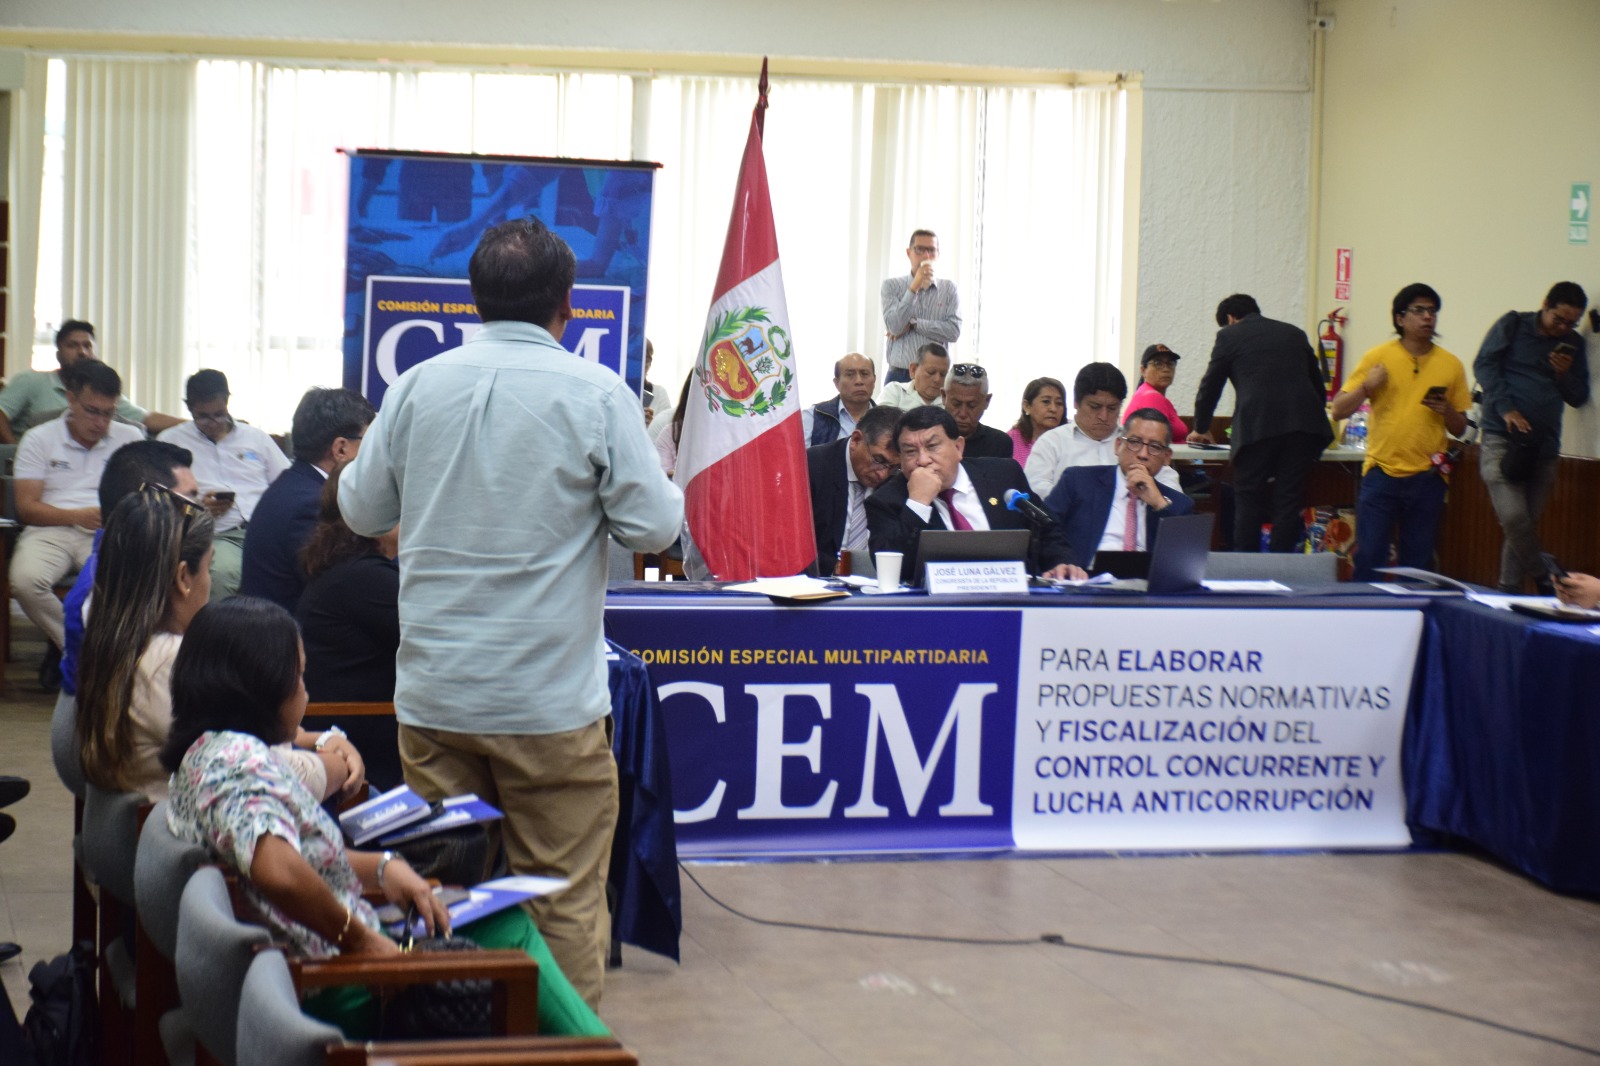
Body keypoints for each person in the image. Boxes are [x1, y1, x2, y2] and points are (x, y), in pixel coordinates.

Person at [339, 216, 682, 1008]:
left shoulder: (417, 386)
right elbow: (654, 528)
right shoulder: (598, 392)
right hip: (549, 705)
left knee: (441, 889)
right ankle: (555, 1052)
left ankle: (449, 1040)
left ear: (474, 300)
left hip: (437, 698)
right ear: (569, 303)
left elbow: (360, 509)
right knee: (561, 899)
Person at [159, 597, 607, 1038]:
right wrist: (361, 941)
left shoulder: (207, 753)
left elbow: (292, 856)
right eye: (298, 677)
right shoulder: (237, 764)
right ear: (261, 688)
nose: (306, 692)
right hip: (339, 985)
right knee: (511, 936)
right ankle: (600, 1055)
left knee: (492, 922)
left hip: (322, 966)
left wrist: (382, 867)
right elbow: (279, 871)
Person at [75, 486, 361, 803]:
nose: (210, 582)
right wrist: (337, 766)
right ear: (183, 578)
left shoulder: (115, 643)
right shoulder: (170, 662)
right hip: (201, 824)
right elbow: (260, 775)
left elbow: (246, 741)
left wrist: (321, 740)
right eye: (209, 568)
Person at [10, 361, 145, 691]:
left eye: (108, 413)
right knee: (25, 581)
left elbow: (143, 495)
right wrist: (76, 516)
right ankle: (79, 652)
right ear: (71, 399)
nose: (100, 422)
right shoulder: (39, 438)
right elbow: (27, 508)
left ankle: (89, 655)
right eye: (92, 411)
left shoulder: (129, 438)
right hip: (49, 529)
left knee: (118, 584)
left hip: (104, 532)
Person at [1331, 284, 1469, 581]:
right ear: (1400, 318)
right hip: (1381, 473)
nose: (1427, 317)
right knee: (1370, 555)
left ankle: (1411, 610)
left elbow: (1461, 428)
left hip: (1429, 477)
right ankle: (1365, 609)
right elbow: (1339, 410)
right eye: (1419, 310)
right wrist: (1367, 387)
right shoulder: (1378, 358)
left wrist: (1446, 410)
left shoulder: (1451, 365)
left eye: (1432, 311)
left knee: (1417, 563)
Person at [1189, 294, 1333, 553]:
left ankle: (1247, 569)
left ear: (1230, 318)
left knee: (1248, 497)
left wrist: (1201, 426)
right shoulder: (1294, 333)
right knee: (1288, 498)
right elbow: (1317, 386)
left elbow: (1210, 386)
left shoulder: (1229, 336)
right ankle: (1280, 567)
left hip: (1257, 427)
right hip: (1304, 428)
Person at [864, 405, 1074, 579]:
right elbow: (890, 570)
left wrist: (1061, 563)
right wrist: (918, 504)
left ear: (958, 447)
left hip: (1013, 600)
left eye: (932, 446)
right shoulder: (886, 501)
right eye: (910, 452)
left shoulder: (1003, 475)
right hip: (938, 608)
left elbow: (1046, 528)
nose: (923, 460)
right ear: (900, 459)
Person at [1473, 282, 1590, 593]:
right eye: (1558, 319)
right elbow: (1484, 365)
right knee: (1514, 518)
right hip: (1501, 438)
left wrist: (1564, 374)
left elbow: (1579, 397)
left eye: (1571, 323)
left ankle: (1508, 589)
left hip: (1545, 446)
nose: (1563, 328)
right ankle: (1543, 575)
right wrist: (1507, 409)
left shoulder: (1573, 344)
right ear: (1545, 304)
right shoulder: (1513, 325)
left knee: (1525, 523)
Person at [61, 440, 198, 696]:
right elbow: (101, 698)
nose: (195, 515)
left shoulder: (145, 563)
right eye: (189, 502)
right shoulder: (99, 592)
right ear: (148, 506)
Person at [298, 466, 403, 790]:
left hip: (360, 730)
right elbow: (437, 640)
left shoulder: (349, 568)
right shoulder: (364, 578)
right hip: (368, 745)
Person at [159, 369, 292, 600]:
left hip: (267, 529)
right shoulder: (171, 442)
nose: (213, 423)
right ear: (188, 407)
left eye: (219, 414)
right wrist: (198, 508)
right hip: (219, 534)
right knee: (220, 574)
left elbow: (288, 484)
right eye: (203, 417)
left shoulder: (255, 438)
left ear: (228, 401)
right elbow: (161, 501)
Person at [240, 387, 374, 613]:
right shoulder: (311, 505)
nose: (375, 454)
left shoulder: (293, 485)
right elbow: (345, 591)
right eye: (369, 442)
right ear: (341, 449)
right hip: (290, 631)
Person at [1043, 409, 1196, 570]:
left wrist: (1159, 504)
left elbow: (1182, 561)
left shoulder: (1179, 505)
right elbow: (1047, 529)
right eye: (1135, 442)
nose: (1143, 454)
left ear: (1166, 457)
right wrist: (1065, 564)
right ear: (1118, 446)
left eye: (1155, 447)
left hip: (1146, 583)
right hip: (1085, 578)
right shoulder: (1078, 481)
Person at [0, 320, 179, 444]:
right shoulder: (32, 381)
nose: (82, 352)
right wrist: (14, 450)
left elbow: (146, 418)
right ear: (58, 354)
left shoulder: (102, 392)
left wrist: (191, 423)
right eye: (72, 346)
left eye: (88, 346)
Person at [1025, 362, 1182, 499]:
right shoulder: (1052, 443)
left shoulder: (1136, 444)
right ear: (1076, 403)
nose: (1103, 416)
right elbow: (1035, 489)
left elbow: (1172, 489)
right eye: (1095, 407)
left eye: (1112, 408)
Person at [806, 405, 902, 576]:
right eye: (878, 460)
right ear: (856, 440)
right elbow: (791, 543)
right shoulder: (811, 467)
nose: (883, 474)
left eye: (893, 466)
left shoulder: (897, 481)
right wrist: (837, 567)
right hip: (820, 580)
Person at [881, 230, 961, 383]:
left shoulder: (949, 289)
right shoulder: (891, 286)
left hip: (936, 376)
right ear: (909, 253)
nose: (926, 256)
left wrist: (914, 324)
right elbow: (895, 327)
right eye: (919, 250)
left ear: (938, 254)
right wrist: (914, 287)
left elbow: (954, 332)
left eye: (931, 250)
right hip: (900, 374)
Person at [801, 352, 877, 446]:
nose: (859, 381)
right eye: (850, 375)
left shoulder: (887, 420)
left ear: (874, 380)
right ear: (837, 383)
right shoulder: (813, 416)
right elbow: (800, 454)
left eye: (864, 374)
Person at [942, 363, 1012, 459]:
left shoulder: (1000, 444)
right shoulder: (928, 439)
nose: (963, 413)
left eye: (971, 406)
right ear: (943, 396)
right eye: (956, 404)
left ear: (987, 401)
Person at [1128, 345, 1189, 443]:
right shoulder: (1151, 396)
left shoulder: (1151, 395)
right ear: (1143, 370)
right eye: (1158, 363)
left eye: (1170, 363)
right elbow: (1156, 444)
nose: (1166, 369)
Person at [1007, 376, 1066, 468]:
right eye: (1046, 401)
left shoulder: (1070, 440)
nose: (1053, 409)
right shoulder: (1010, 440)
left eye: (1059, 403)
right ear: (1027, 406)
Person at [877, 342, 949, 410]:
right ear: (913, 370)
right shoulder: (895, 391)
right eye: (931, 372)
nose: (937, 379)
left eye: (943, 374)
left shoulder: (949, 402)